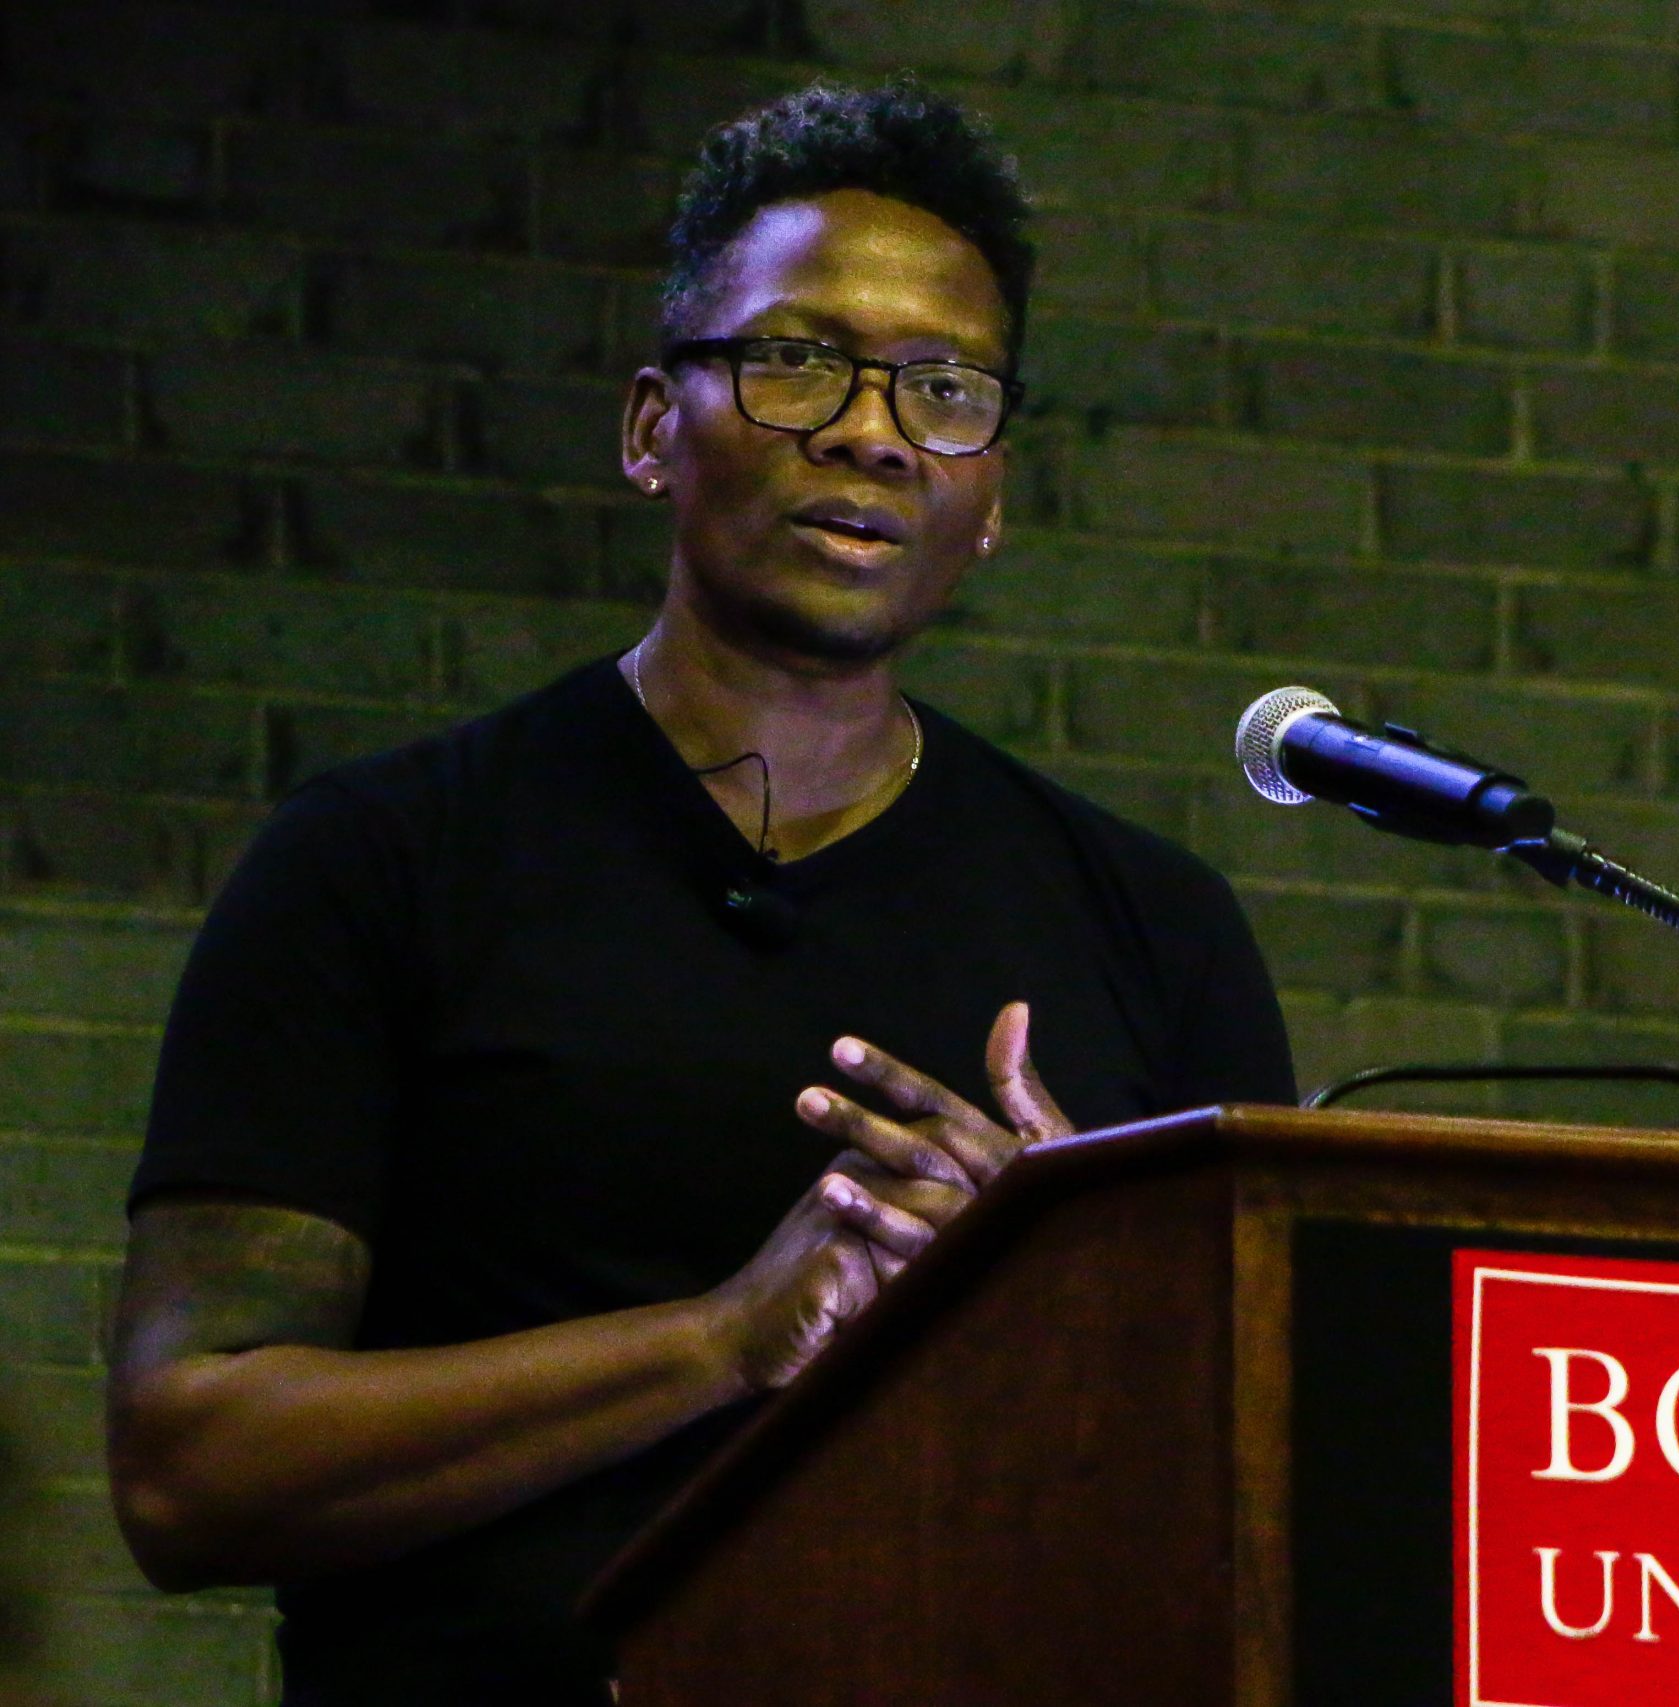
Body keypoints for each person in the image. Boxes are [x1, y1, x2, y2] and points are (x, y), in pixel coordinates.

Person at [104, 78, 1295, 1706]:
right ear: (655, 424)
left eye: (945, 389)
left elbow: (1279, 1504)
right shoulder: (383, 861)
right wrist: (726, 1341)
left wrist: (1064, 1310)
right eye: (800, 359)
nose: (873, 430)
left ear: (993, 495)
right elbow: (190, 1470)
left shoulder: (1154, 927)